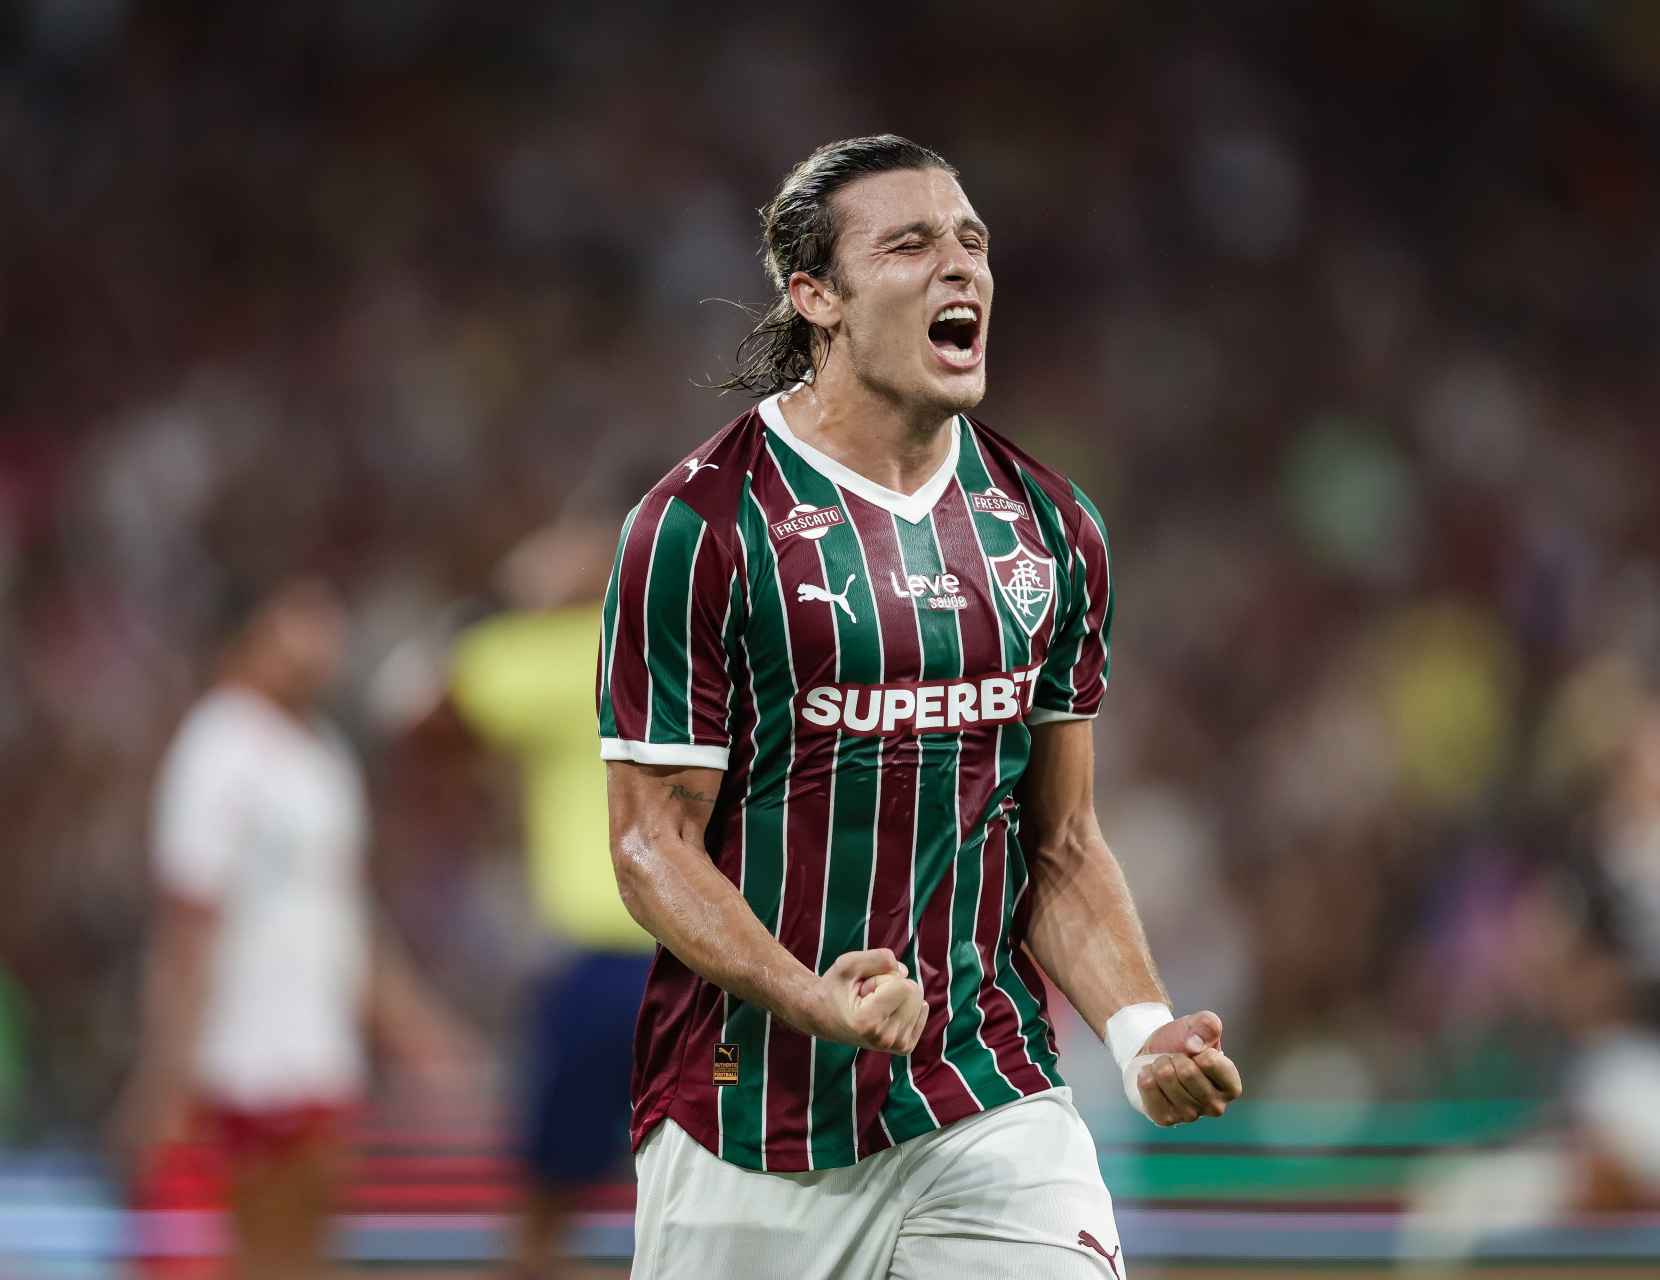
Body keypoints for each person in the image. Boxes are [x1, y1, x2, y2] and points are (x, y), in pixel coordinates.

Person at [598, 135, 1244, 1279]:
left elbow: (1059, 838)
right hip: (750, 1126)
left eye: (972, 242)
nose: (960, 267)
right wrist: (812, 996)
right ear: (817, 297)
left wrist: (1142, 1030)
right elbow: (652, 842)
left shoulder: (1049, 529)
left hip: (986, 1095)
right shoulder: (699, 527)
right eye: (910, 244)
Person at [116, 576, 476, 1280]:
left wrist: (420, 1036)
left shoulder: (323, 758)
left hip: (317, 1050)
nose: (324, 633)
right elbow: (189, 921)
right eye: (301, 617)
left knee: (307, 1254)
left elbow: (346, 923)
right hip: (237, 1060)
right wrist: (166, 1071)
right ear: (252, 634)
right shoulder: (216, 749)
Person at [448, 518, 655, 1278]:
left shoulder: (559, 652)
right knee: (717, 1179)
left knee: (546, 1198)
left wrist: (512, 594)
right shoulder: (704, 646)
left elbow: (415, 698)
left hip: (602, 966)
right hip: (708, 964)